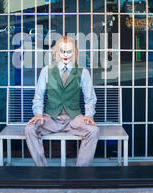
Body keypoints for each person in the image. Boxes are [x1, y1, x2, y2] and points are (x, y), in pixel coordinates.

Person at [24, 36, 98, 167]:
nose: (65, 55)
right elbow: (38, 96)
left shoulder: (83, 72)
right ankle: (42, 169)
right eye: (62, 51)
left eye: (69, 51)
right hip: (50, 119)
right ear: (56, 52)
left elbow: (90, 98)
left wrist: (88, 115)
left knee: (93, 131)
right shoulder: (46, 71)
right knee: (29, 129)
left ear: (74, 52)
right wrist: (38, 113)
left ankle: (80, 171)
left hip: (73, 120)